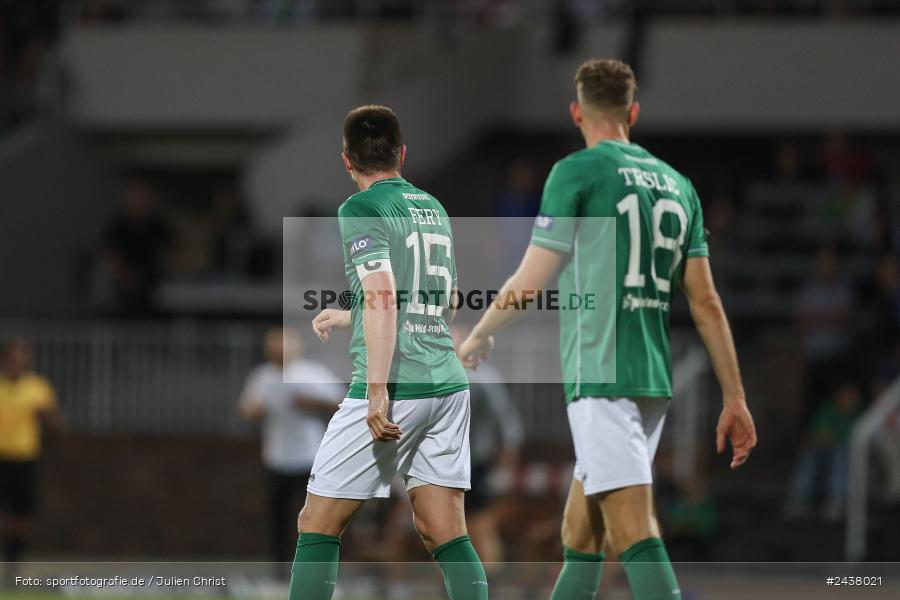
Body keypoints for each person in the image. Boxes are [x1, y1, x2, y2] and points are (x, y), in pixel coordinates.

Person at [458, 59, 756, 600]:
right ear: (632, 113)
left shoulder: (576, 172)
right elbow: (707, 302)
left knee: (633, 530)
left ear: (577, 112)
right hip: (651, 381)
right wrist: (734, 396)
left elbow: (531, 280)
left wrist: (481, 332)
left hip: (601, 376)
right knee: (581, 532)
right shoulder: (678, 185)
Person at [291, 105, 488, 600]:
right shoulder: (433, 208)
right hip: (447, 384)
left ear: (346, 160)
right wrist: (350, 314)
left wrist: (377, 391)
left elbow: (382, 293)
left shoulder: (359, 209)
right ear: (402, 154)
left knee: (317, 522)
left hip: (400, 385)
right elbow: (444, 302)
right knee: (442, 530)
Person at [239, 327, 342, 570]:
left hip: (309, 457)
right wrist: (259, 409)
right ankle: (280, 569)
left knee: (314, 516)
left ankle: (316, 566)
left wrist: (309, 403)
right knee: (278, 518)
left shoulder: (311, 373)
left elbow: (339, 401)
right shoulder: (262, 376)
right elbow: (247, 409)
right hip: (277, 457)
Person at [450, 326, 523, 568]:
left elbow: (509, 426)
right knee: (450, 529)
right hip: (446, 464)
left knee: (480, 526)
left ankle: (490, 583)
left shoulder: (482, 379)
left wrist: (505, 468)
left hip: (476, 464)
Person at [0, 339, 60, 577]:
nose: (17, 361)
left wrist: (46, 414)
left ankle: (12, 568)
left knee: (21, 517)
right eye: (13, 356)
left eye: (22, 356)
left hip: (25, 459)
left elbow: (57, 423)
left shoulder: (37, 387)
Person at [784, 381, 863, 521]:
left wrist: (834, 439)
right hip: (826, 457)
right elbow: (815, 435)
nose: (847, 399)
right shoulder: (829, 410)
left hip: (857, 461)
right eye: (844, 395)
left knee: (840, 453)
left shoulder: (861, 413)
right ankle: (798, 500)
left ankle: (837, 501)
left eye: (851, 396)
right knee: (810, 452)